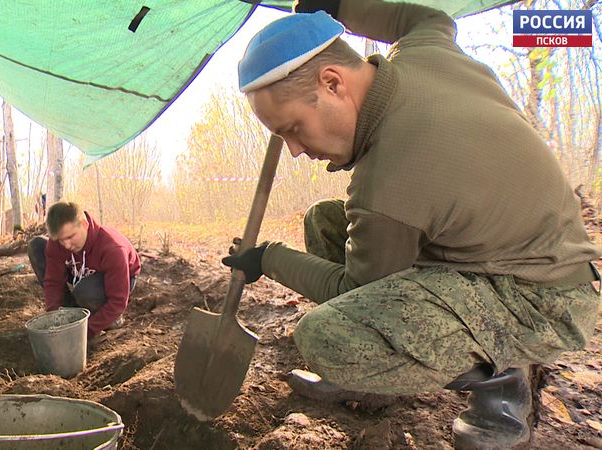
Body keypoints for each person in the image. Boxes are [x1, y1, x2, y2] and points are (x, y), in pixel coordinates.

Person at [222, 4, 601, 449]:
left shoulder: (390, 176)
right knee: (326, 221)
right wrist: (341, 6)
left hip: (540, 298)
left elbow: (352, 291)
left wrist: (267, 258)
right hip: (494, 254)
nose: (295, 151)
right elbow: (429, 19)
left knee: (326, 336)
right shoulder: (424, 51)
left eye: (294, 129)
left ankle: (500, 386)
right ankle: (373, 377)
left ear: (332, 82)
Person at [27, 201, 141, 338]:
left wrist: (85, 332)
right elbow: (53, 282)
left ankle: (111, 320)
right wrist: (54, 318)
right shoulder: (58, 243)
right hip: (79, 269)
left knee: (86, 291)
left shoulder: (113, 248)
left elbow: (118, 301)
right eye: (61, 240)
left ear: (84, 225)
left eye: (70, 237)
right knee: (37, 246)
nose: (67, 245)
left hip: (119, 278)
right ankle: (70, 311)